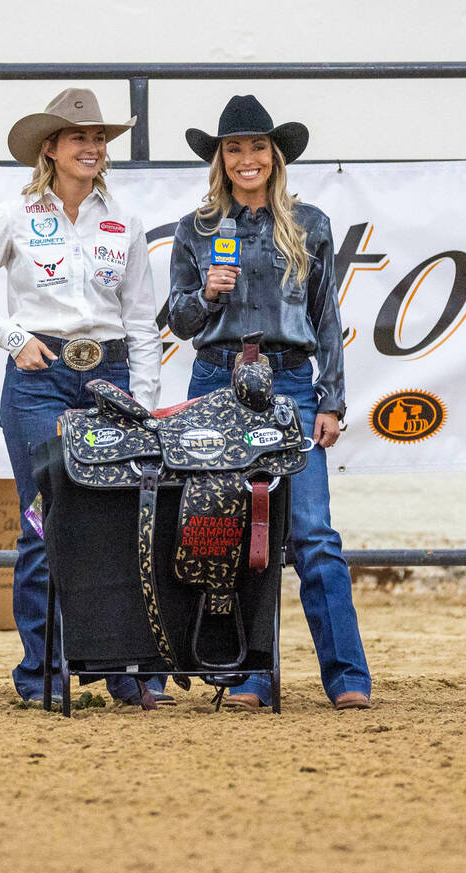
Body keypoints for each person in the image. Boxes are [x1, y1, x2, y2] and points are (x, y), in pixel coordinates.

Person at [0, 88, 166, 706]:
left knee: (122, 525)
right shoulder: (14, 216)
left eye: (98, 139)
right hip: (39, 379)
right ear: (52, 149)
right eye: (78, 138)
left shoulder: (125, 221)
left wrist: (141, 401)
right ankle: (43, 673)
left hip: (110, 377)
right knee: (44, 525)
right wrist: (13, 337)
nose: (92, 147)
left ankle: (126, 671)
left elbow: (142, 321)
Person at [166, 95, 371, 711]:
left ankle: (346, 676)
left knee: (311, 533)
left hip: (288, 382)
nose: (246, 159)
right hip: (216, 381)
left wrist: (330, 399)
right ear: (221, 160)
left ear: (275, 156)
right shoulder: (195, 229)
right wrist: (205, 294)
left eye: (257, 147)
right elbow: (176, 319)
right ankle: (246, 673)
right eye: (234, 149)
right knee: (226, 530)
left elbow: (326, 318)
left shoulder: (310, 224)